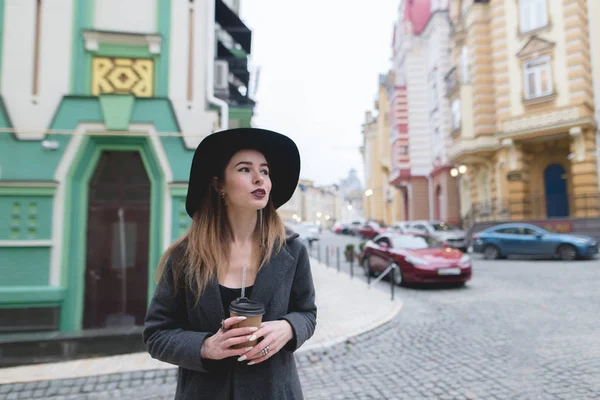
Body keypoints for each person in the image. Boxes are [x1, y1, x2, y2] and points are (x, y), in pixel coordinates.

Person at [143, 128, 317, 399]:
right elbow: (156, 334)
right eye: (245, 170)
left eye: (265, 171)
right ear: (219, 184)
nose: (259, 178)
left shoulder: (291, 250)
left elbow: (307, 313)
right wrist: (205, 346)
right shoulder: (185, 256)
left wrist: (288, 328)